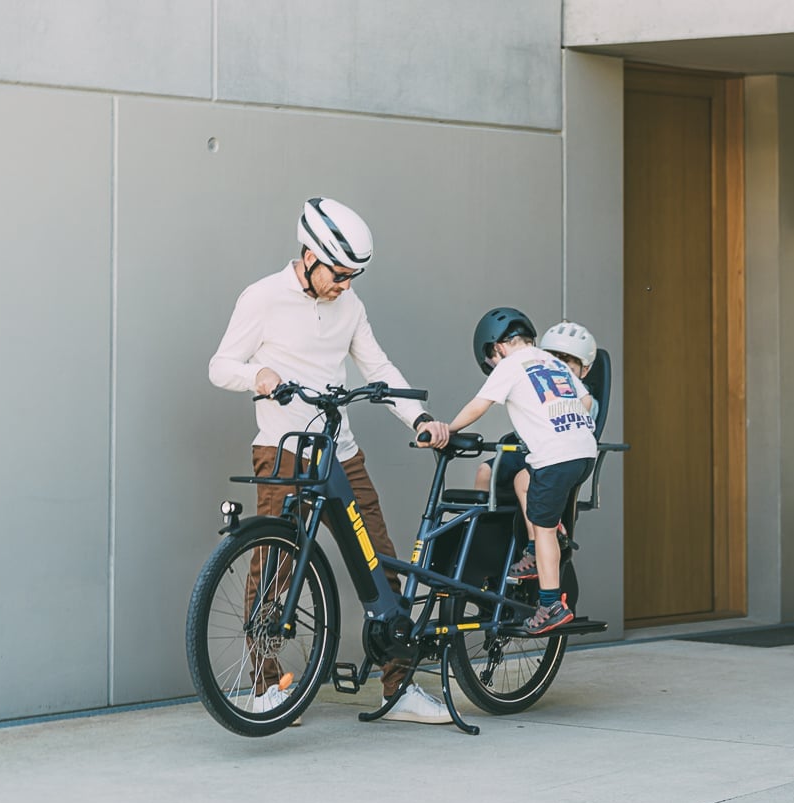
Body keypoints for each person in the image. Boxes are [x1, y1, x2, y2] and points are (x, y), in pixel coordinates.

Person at [209, 196, 452, 723]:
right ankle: (265, 686)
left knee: (380, 561)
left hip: (340, 452)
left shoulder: (350, 305)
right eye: (338, 274)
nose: (345, 284)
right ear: (309, 256)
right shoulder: (263, 297)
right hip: (284, 450)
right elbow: (220, 364)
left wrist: (419, 418)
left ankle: (398, 688)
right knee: (273, 566)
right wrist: (257, 376)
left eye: (353, 276)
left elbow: (378, 367)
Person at [440, 308, 597, 634]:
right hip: (584, 453)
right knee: (523, 479)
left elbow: (479, 405)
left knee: (543, 529)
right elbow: (585, 402)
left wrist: (448, 429)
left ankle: (551, 604)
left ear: (497, 347)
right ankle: (536, 549)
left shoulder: (510, 365)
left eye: (491, 360)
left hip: (555, 458)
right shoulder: (552, 362)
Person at [472, 321, 599, 580]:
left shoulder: (581, 399)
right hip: (528, 450)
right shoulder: (534, 375)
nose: (560, 365)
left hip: (554, 457)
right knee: (485, 471)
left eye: (568, 361)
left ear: (584, 370)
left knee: (524, 479)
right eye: (555, 357)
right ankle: (483, 537)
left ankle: (533, 546)